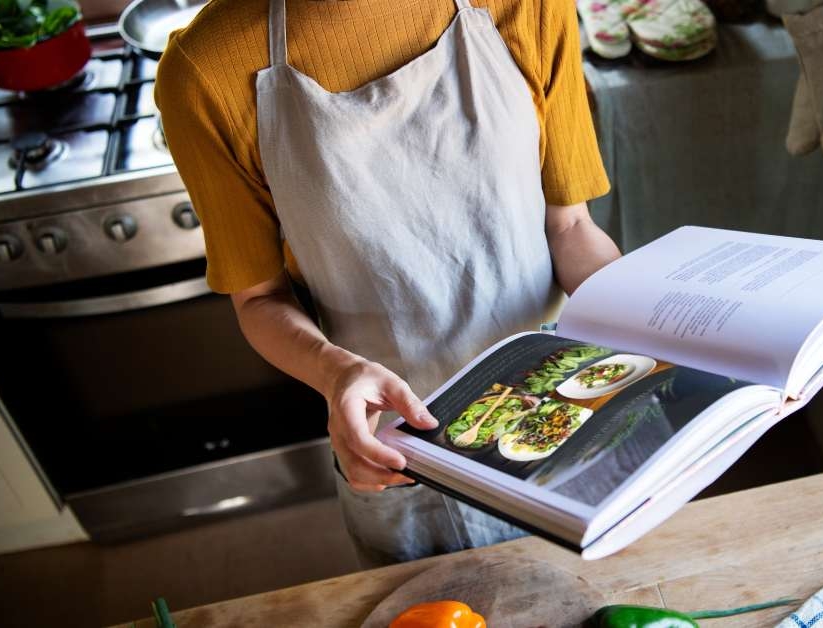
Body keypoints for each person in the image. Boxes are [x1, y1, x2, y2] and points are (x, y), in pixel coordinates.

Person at [154, 0, 620, 567]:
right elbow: (259, 299)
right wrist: (335, 371)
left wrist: (662, 330)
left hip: (570, 401)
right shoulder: (207, 70)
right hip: (405, 448)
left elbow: (569, 226)